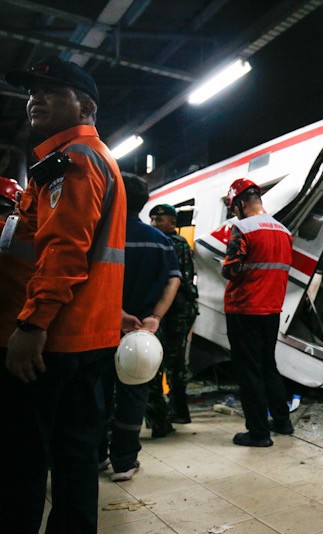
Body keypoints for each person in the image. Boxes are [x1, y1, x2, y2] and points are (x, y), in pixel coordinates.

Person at [0, 56, 126, 534]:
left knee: (21, 461)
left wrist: (31, 325)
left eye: (50, 91)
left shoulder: (71, 161)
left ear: (86, 105)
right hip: (88, 336)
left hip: (54, 339)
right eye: (32, 91)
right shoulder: (94, 160)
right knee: (75, 457)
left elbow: (65, 251)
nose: (35, 98)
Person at [98, 173, 181, 482]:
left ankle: (97, 455)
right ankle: (124, 461)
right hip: (142, 335)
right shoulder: (160, 240)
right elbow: (174, 278)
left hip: (104, 327)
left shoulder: (104, 235)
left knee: (100, 391)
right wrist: (156, 316)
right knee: (134, 394)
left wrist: (117, 312)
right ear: (145, 203)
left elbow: (94, 279)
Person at [223, 178, 294, 447]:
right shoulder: (284, 231)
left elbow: (231, 269)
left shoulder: (242, 228)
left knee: (249, 371)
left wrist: (223, 266)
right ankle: (282, 421)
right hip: (272, 309)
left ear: (240, 204)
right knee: (268, 365)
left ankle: (258, 433)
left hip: (245, 309)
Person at [147, 203, 199, 424]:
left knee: (173, 360)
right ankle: (167, 412)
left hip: (176, 310)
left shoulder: (176, 243)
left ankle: (175, 411)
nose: (154, 224)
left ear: (173, 223)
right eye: (153, 220)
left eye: (159, 220)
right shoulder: (160, 241)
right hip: (167, 310)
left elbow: (179, 281)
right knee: (163, 360)